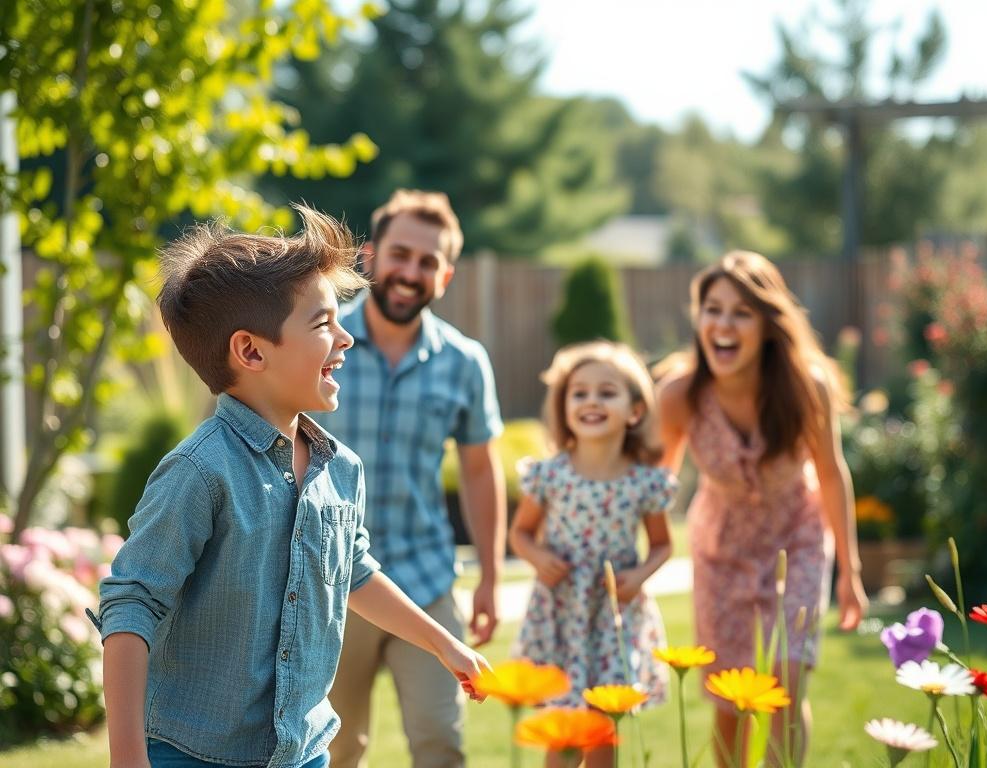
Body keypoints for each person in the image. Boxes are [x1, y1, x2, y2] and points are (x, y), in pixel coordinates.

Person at [90, 205, 489, 768]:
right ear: (251, 351)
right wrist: (128, 759)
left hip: (301, 751)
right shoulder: (200, 472)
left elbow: (354, 570)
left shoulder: (340, 469)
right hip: (193, 752)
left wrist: (445, 645)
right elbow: (131, 607)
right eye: (324, 323)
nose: (346, 338)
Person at [312, 190, 506, 768]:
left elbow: (479, 469)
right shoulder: (320, 342)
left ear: (445, 275)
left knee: (441, 744)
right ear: (370, 257)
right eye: (400, 254)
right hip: (331, 584)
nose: (409, 272)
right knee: (334, 749)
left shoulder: (465, 362)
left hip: (426, 581)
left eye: (428, 262)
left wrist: (492, 576)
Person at [656, 250, 869, 767]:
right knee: (731, 700)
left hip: (795, 540)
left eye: (741, 312)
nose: (723, 325)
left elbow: (832, 474)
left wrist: (850, 571)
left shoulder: (806, 386)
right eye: (713, 309)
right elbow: (655, 483)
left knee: (786, 687)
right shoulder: (680, 394)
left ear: (768, 325)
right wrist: (644, 553)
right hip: (720, 551)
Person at [509, 341, 676, 768]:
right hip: (563, 610)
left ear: (634, 411)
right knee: (564, 727)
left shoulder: (644, 483)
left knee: (605, 723)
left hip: (614, 615)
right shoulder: (550, 476)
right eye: (579, 393)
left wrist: (640, 575)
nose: (591, 401)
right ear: (564, 406)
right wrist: (537, 558)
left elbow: (662, 544)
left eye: (607, 392)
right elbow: (520, 534)